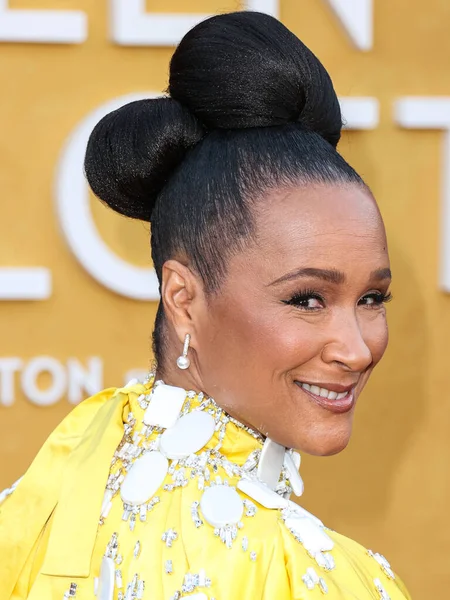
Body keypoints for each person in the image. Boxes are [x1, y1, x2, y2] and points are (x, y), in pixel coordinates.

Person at [0, 11, 411, 600]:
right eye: (307, 299)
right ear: (183, 299)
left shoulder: (52, 486)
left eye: (371, 298)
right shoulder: (314, 577)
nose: (356, 348)